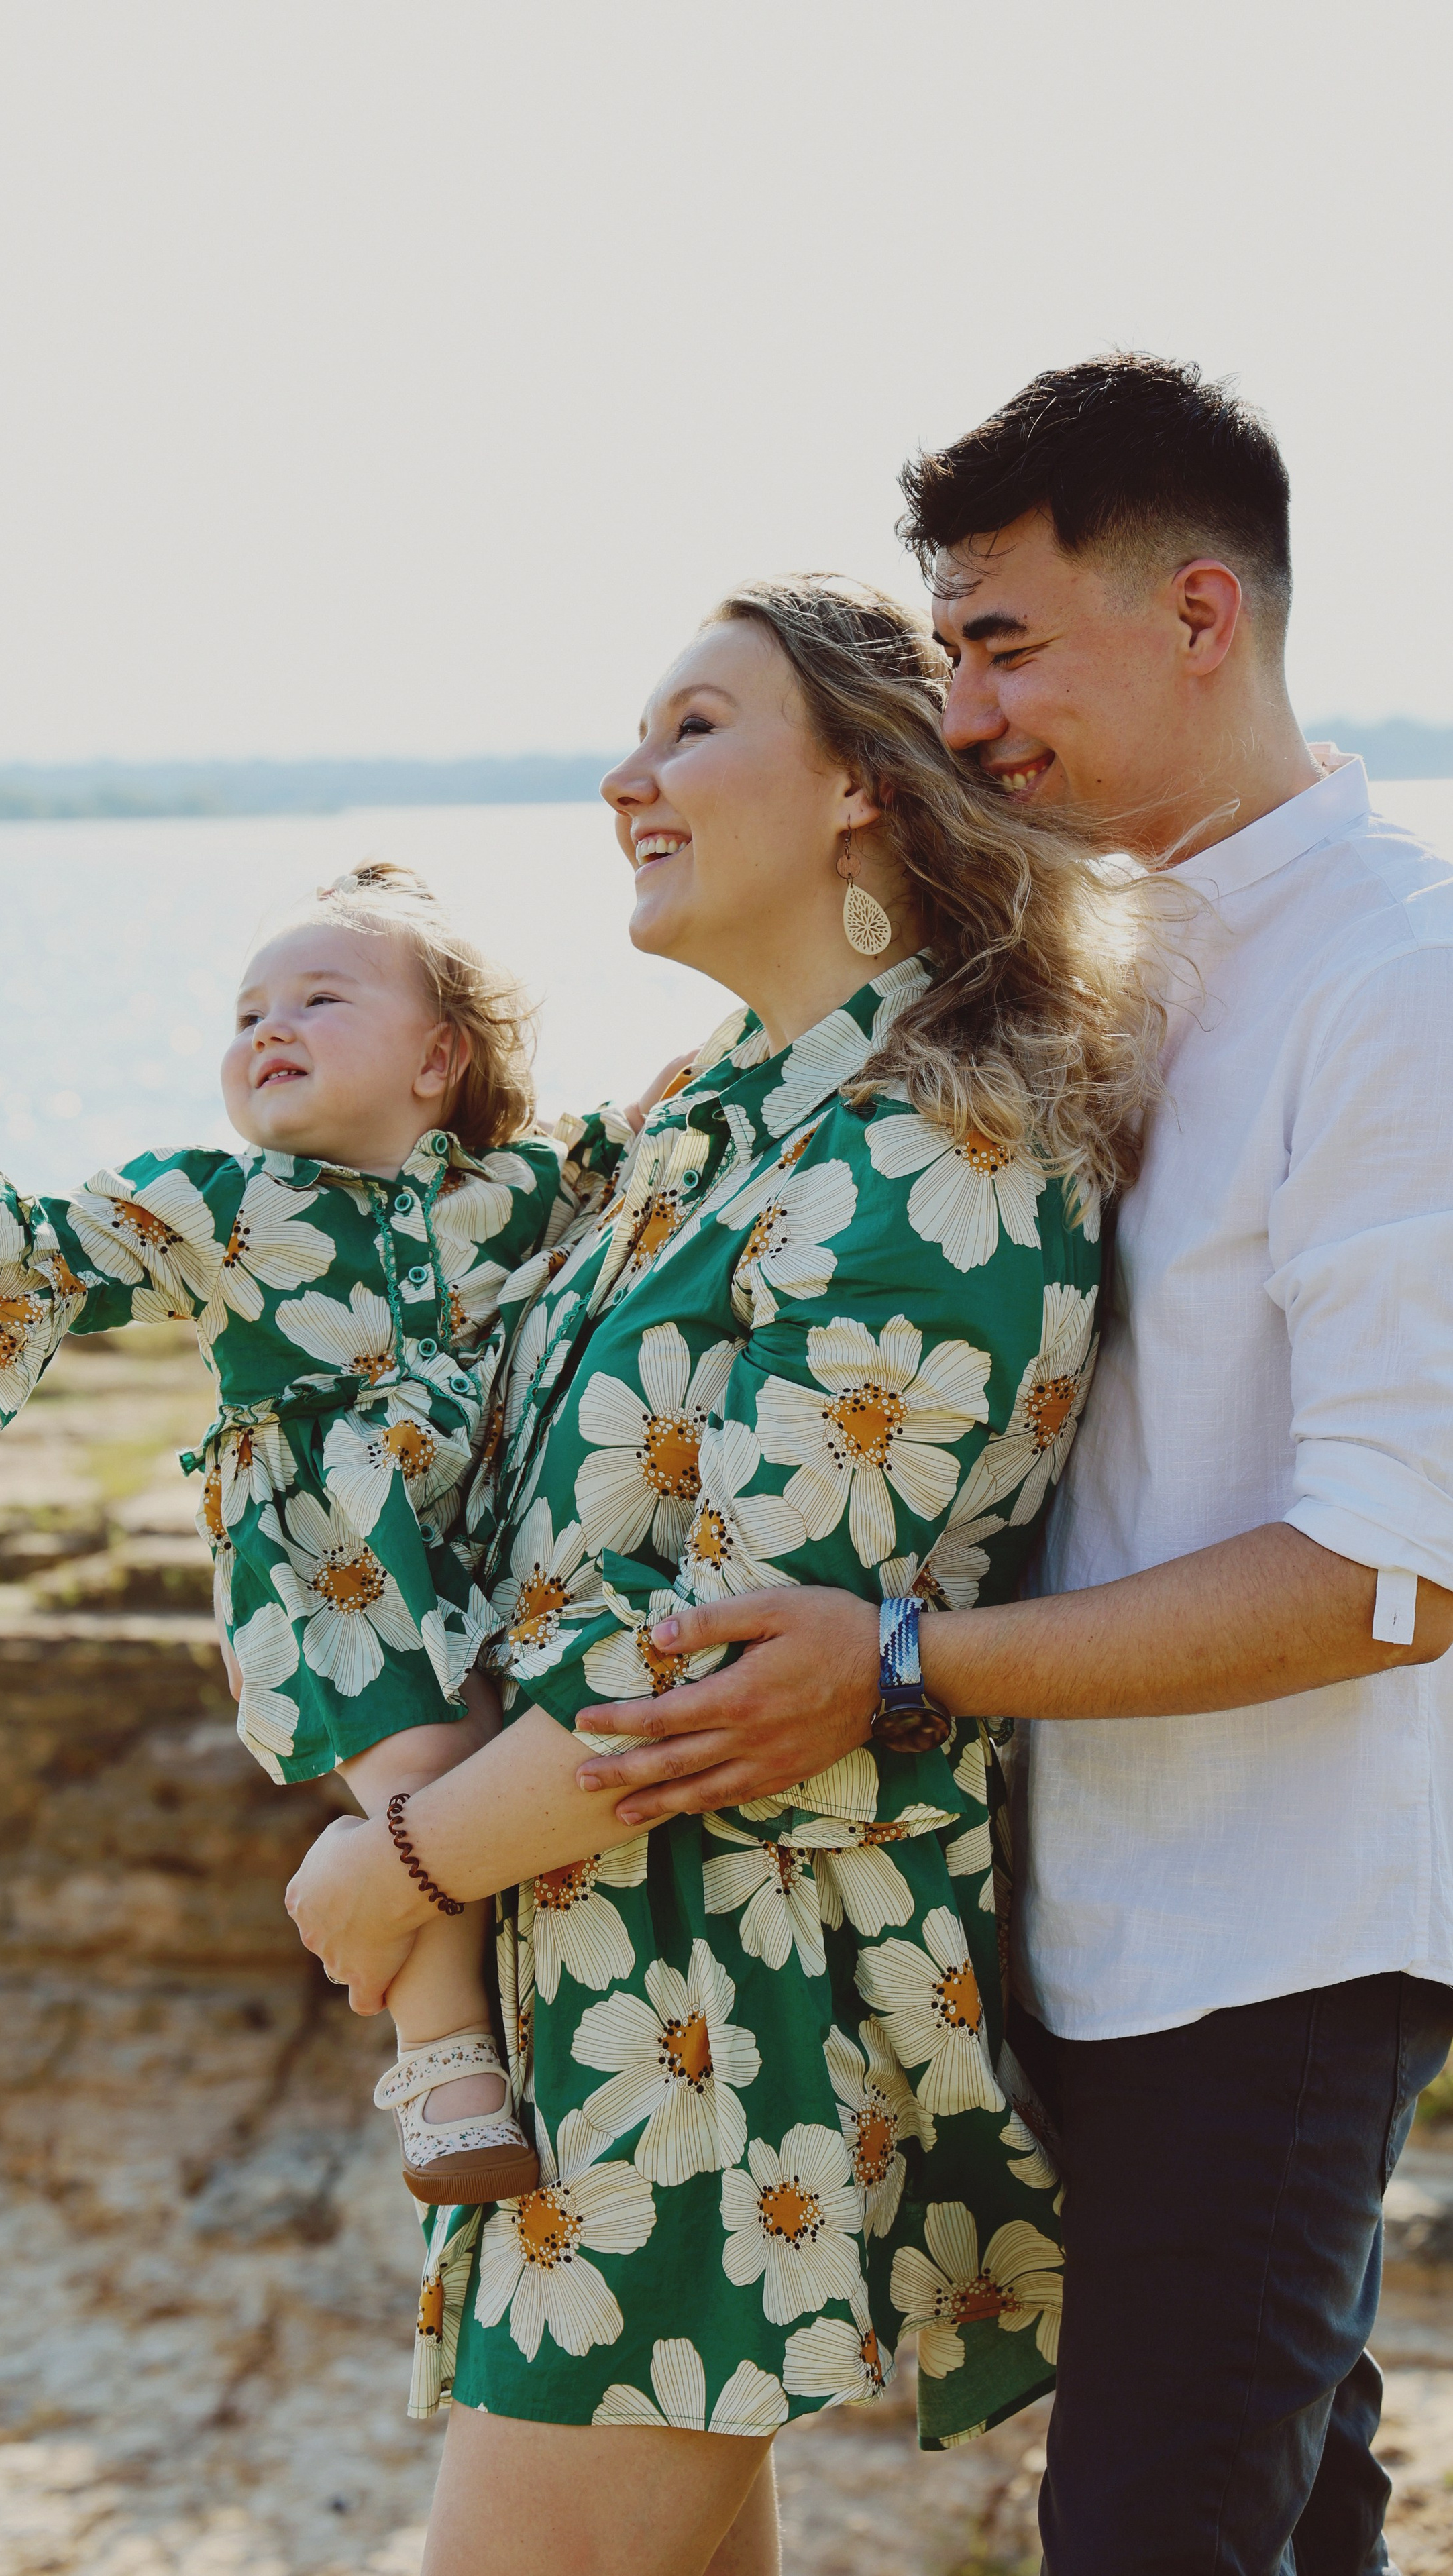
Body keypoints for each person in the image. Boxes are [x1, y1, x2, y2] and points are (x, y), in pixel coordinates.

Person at [569, 358, 1453, 2573]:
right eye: (945, 652)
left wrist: (898, 1661)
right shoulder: (1128, 964)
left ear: (1203, 619)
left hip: (1283, 1938)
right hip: (1085, 1918)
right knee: (1284, 2520)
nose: (963, 715)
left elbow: (1402, 1569)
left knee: (1151, 2535)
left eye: (1004, 643)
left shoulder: (1401, 982)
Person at [283, 575, 1167, 2576]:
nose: (625, 778)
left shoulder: (939, 1149)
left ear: (864, 782)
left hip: (716, 2031)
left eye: (693, 726)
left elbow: (724, 1664)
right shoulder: (701, 1123)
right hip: (595, 1982)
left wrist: (392, 1870)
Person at [0, 862, 629, 2210]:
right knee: (423, 1778)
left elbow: (655, 1141)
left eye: (317, 997)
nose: (267, 1027)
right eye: (246, 1011)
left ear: (439, 1059)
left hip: (502, 1537)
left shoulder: (524, 1190)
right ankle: (444, 2066)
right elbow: (60, 1245)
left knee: (531, 1763)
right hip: (336, 1569)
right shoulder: (221, 1210)